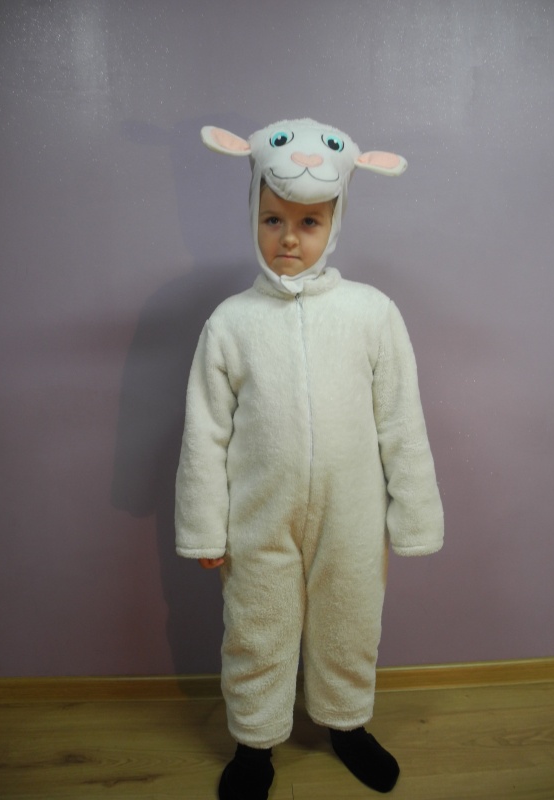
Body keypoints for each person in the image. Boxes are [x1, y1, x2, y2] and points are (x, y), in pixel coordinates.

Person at [175, 119, 444, 799]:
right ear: (253, 218)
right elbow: (206, 433)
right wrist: (205, 528)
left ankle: (347, 726)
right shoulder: (230, 322)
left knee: (349, 621)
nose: (289, 238)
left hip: (352, 516)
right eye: (273, 220)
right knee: (256, 628)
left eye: (308, 223)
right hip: (257, 516)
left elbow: (401, 421)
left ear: (335, 223)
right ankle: (254, 743)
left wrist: (413, 516)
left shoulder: (371, 313)